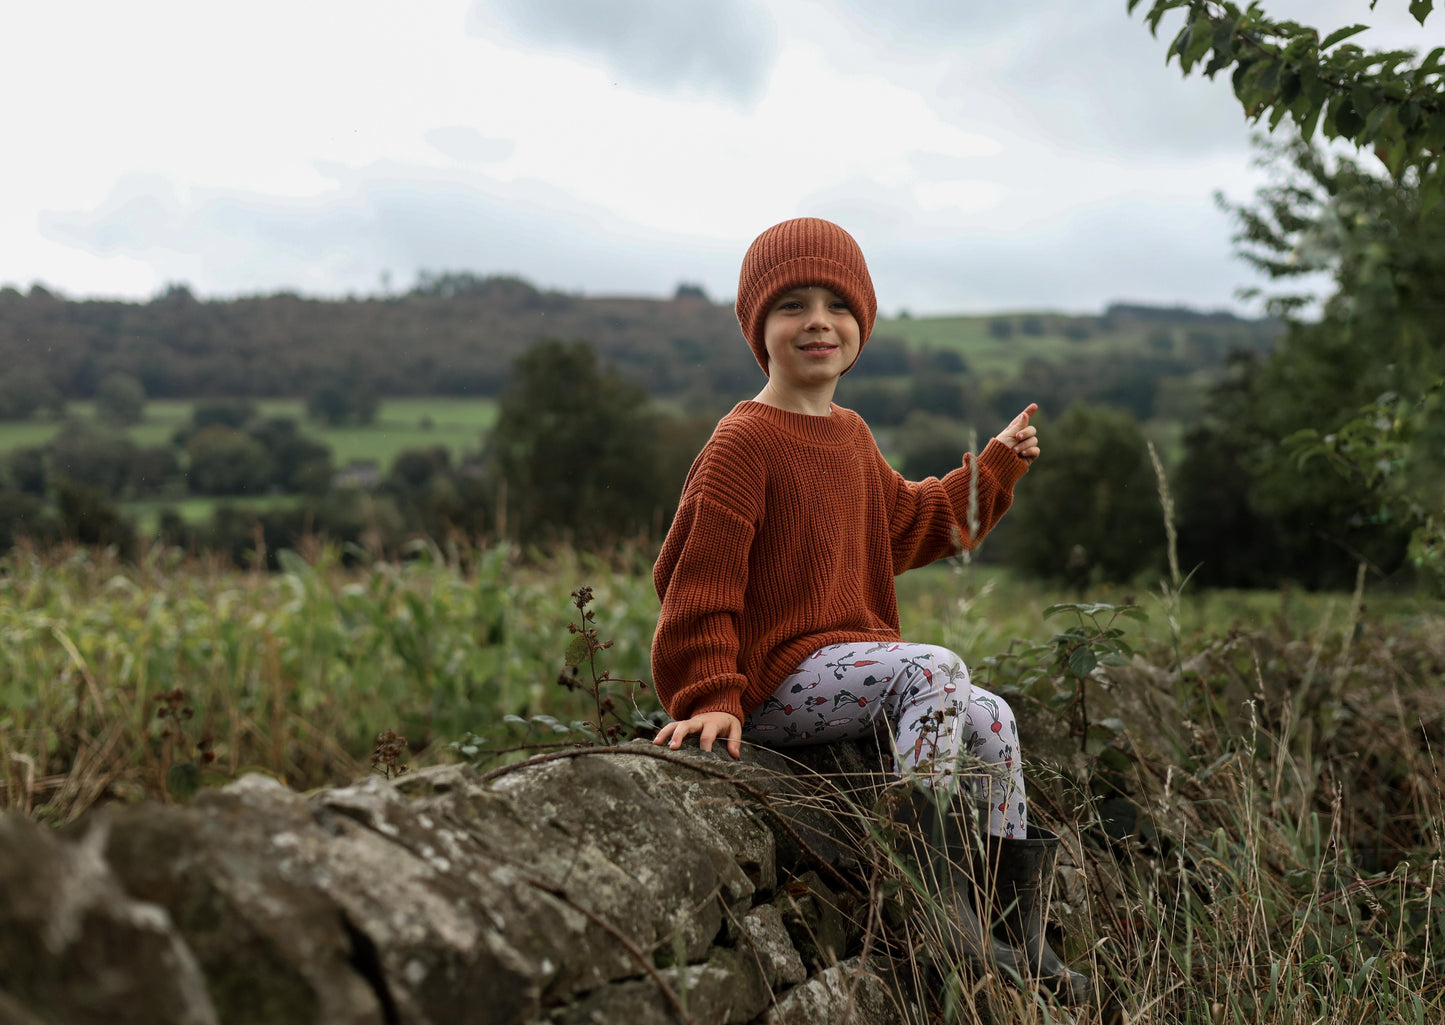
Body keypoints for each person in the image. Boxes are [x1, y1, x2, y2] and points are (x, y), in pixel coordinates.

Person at [649, 217, 1089, 1004]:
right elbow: (697, 583)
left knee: (992, 717)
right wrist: (710, 694)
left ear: (862, 324)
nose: (817, 320)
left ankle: (1011, 926)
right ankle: (926, 902)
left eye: (835, 304)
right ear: (760, 328)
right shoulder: (740, 442)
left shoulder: (849, 435)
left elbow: (915, 524)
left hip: (845, 673)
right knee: (936, 667)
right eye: (792, 305)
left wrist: (991, 467)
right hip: (775, 683)